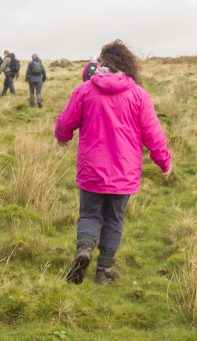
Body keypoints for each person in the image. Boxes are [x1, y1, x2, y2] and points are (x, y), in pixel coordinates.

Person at [55, 40, 172, 286]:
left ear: (103, 63)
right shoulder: (138, 95)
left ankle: (84, 249)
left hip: (92, 169)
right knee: (114, 220)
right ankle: (104, 271)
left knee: (89, 214)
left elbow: (65, 121)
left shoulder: (85, 90)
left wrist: (62, 137)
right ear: (128, 63)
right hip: (124, 172)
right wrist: (164, 162)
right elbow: (154, 133)